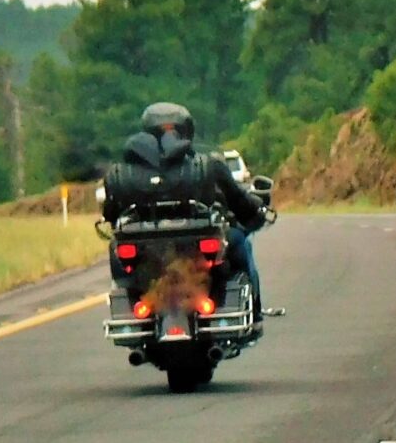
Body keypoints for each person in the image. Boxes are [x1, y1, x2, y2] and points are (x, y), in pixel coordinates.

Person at [101, 101, 274, 320]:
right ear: (187, 131)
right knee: (239, 241)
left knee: (118, 249)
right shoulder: (206, 165)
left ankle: (136, 306)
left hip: (147, 261)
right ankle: (255, 311)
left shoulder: (120, 174)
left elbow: (111, 215)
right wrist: (256, 212)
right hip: (196, 254)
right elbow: (240, 201)